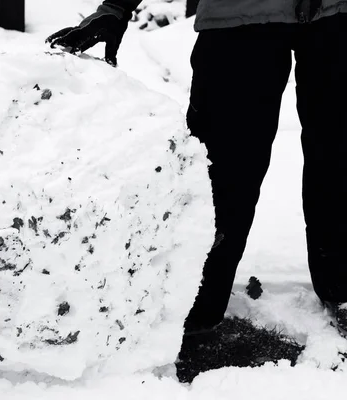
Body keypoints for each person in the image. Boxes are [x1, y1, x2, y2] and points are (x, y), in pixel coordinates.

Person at [47, 0, 347, 335]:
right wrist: (117, 6)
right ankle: (194, 301)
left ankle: (343, 287)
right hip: (240, 14)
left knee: (341, 161)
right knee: (222, 170)